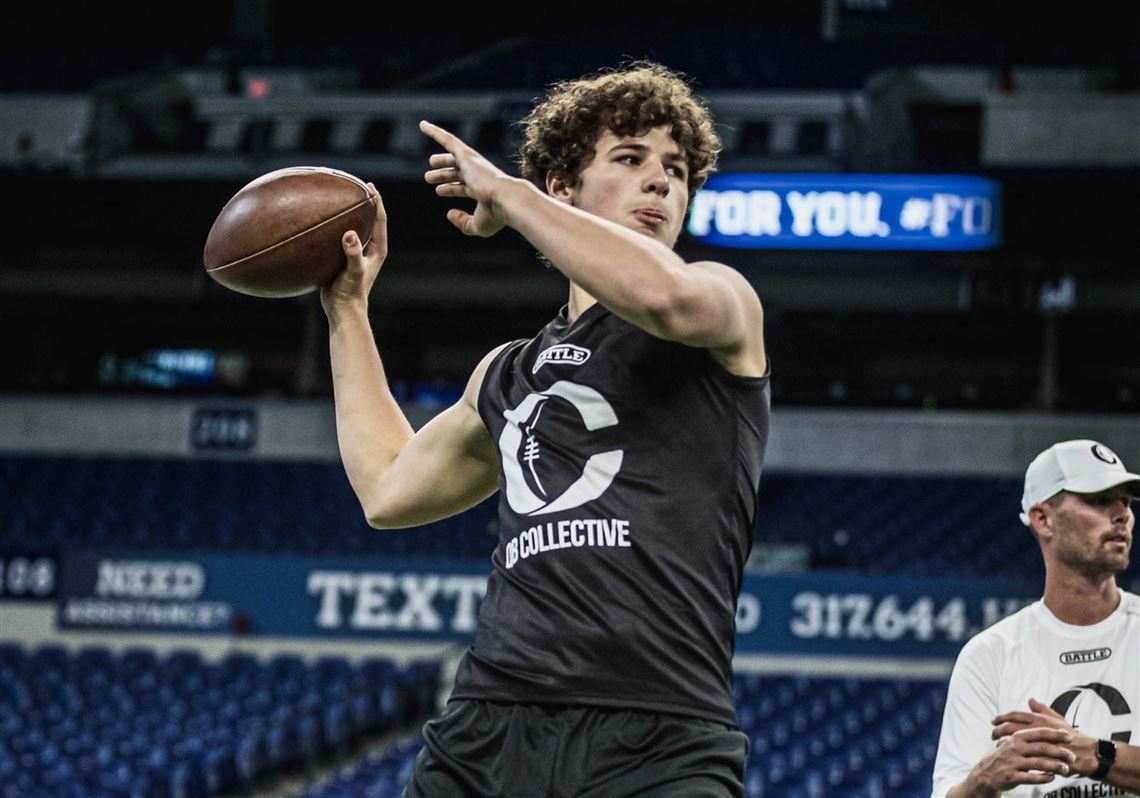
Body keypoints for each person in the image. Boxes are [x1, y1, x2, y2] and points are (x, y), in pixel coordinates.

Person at [319, 62, 768, 797]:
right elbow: (388, 489)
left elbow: (660, 296)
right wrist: (346, 311)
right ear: (563, 186)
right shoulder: (507, 371)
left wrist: (506, 193)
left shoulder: (722, 305)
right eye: (630, 159)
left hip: (661, 738)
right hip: (489, 727)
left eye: (677, 170)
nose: (661, 182)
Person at [931, 439, 1140, 797]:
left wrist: (1092, 754)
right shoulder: (989, 656)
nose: (1122, 514)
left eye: (1125, 501)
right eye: (1099, 499)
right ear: (1043, 519)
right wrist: (981, 781)